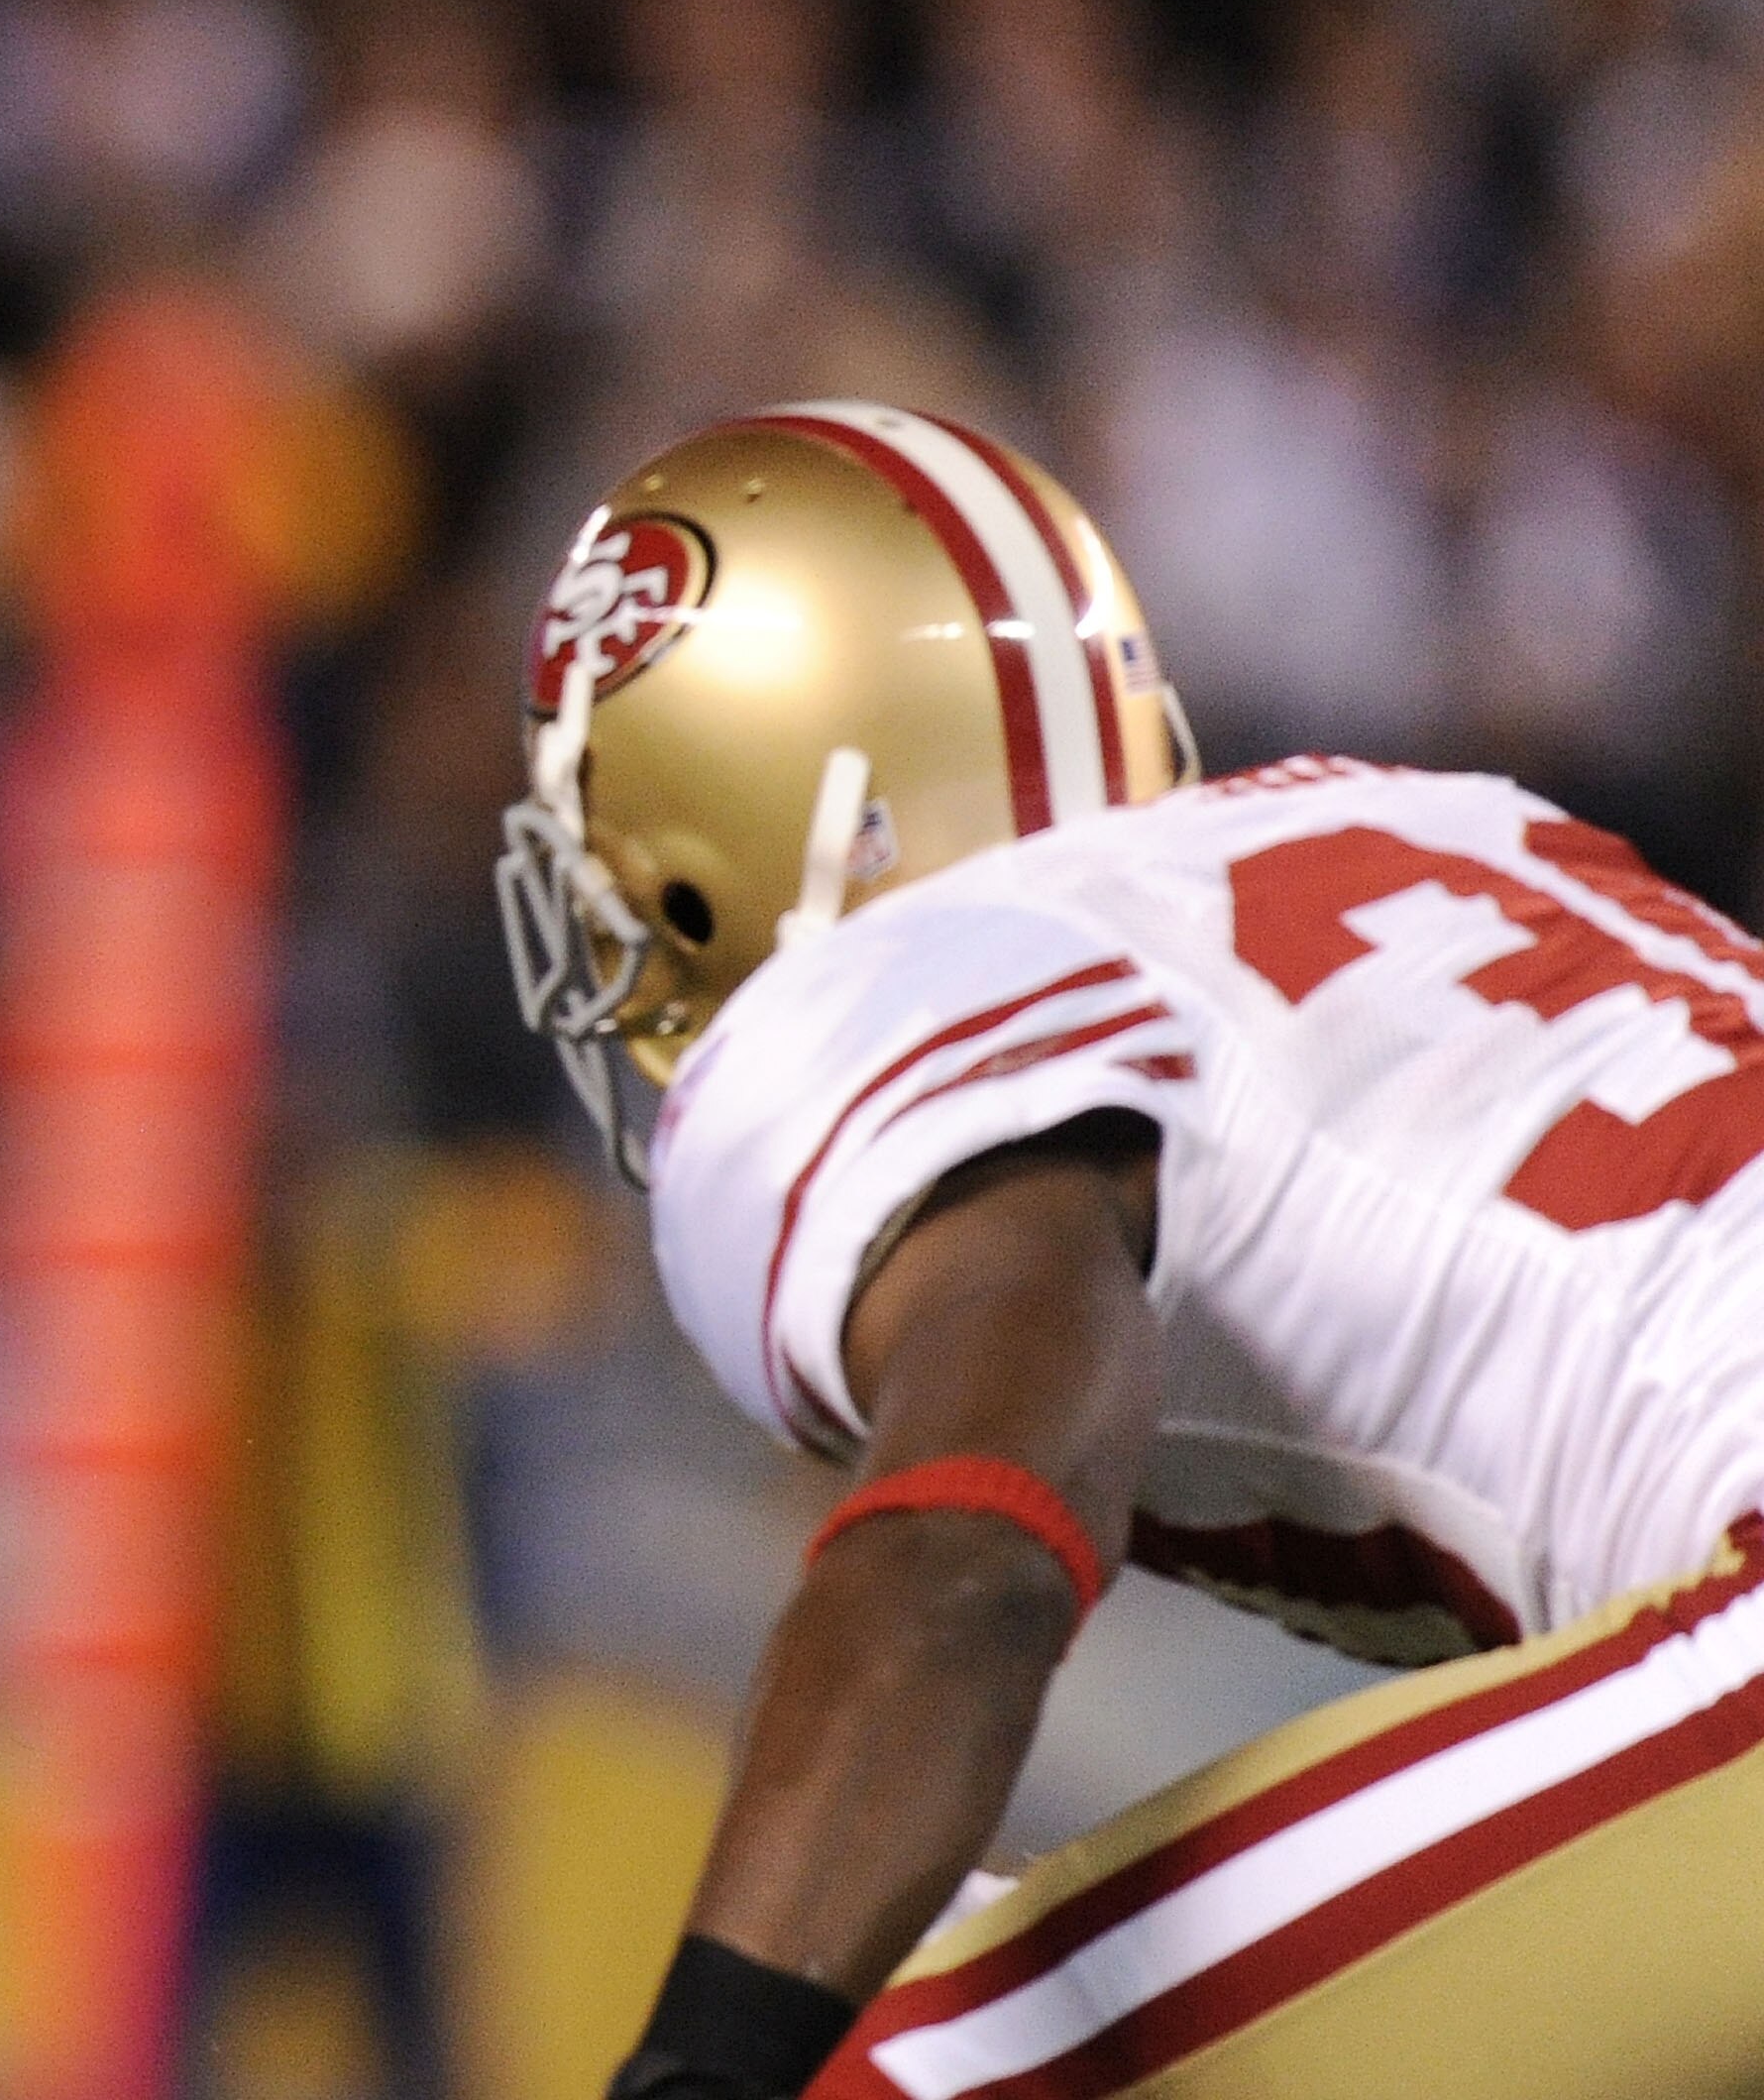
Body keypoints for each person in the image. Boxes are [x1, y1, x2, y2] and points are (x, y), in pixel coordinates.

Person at [496, 398, 1764, 2100]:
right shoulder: (1417, 816)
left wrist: (704, 2067)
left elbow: (969, 1561)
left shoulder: (876, 1000)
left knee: (891, 2069)